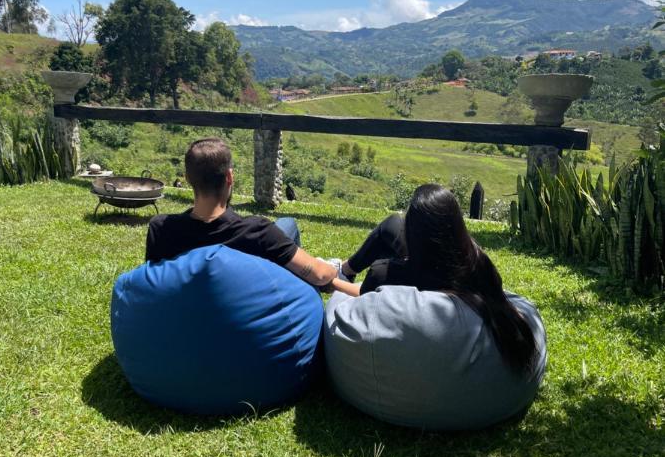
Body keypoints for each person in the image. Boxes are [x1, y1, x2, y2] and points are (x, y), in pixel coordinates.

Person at [331, 183, 538, 375]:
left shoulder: (386, 273)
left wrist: (332, 281)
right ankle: (347, 268)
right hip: (435, 267)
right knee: (391, 224)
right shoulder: (477, 261)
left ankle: (341, 273)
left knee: (388, 231)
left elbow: (364, 302)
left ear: (412, 233)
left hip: (420, 271)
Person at [145, 137, 339, 289]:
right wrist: (333, 268)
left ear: (188, 178)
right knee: (288, 224)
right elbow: (321, 275)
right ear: (229, 177)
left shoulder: (160, 228)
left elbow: (154, 281)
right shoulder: (257, 231)